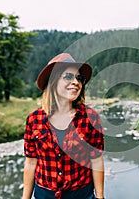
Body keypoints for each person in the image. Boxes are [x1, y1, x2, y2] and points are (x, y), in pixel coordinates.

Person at [22, 53, 105, 199]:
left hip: (82, 194)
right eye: (68, 76)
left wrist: (100, 197)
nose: (76, 82)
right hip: (44, 194)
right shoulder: (34, 119)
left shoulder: (91, 117)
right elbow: (30, 163)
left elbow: (96, 160)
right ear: (53, 82)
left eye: (79, 78)